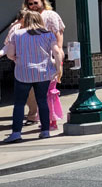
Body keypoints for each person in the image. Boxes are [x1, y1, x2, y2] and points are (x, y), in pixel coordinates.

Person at [4, 9, 64, 142]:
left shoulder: (17, 34)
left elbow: (9, 53)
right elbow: (57, 52)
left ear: (26, 21)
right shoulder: (48, 35)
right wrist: (58, 68)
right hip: (43, 73)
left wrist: (15, 58)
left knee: (19, 103)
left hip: (23, 73)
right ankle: (45, 131)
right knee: (42, 101)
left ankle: (16, 133)